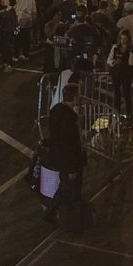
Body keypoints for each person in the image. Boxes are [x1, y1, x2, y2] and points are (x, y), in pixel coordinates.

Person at [41, 83, 84, 223]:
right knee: (66, 189)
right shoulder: (68, 119)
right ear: (74, 97)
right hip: (68, 162)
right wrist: (72, 168)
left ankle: (63, 212)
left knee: (66, 188)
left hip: (59, 158)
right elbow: (69, 145)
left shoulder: (56, 111)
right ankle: (57, 213)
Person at [107, 29, 133, 117]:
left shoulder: (130, 49)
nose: (123, 41)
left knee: (127, 93)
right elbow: (109, 60)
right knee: (117, 93)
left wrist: (131, 53)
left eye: (125, 39)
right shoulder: (115, 48)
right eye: (122, 38)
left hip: (127, 73)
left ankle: (129, 113)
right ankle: (117, 113)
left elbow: (131, 63)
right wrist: (114, 62)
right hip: (117, 72)